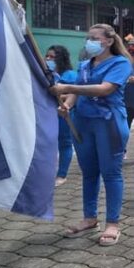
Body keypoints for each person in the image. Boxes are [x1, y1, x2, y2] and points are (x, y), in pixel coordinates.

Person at [50, 24, 132, 246]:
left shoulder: (121, 63)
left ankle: (113, 223)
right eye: (88, 38)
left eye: (94, 38)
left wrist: (68, 88)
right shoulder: (85, 65)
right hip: (83, 123)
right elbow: (76, 92)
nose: (89, 42)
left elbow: (105, 89)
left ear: (108, 41)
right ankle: (90, 218)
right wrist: (66, 104)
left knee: (111, 173)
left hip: (109, 124)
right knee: (89, 173)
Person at [46, 45, 78, 187]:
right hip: (48, 113)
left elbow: (75, 94)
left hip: (63, 113)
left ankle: (62, 175)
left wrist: (59, 93)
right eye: (47, 56)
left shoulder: (70, 75)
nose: (48, 59)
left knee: (64, 143)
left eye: (52, 57)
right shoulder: (47, 74)